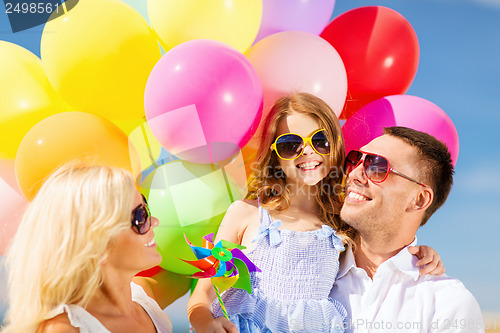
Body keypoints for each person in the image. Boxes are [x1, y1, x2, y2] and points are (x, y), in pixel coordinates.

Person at [187, 93, 444, 333]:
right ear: (275, 155)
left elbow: (381, 254)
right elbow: (203, 294)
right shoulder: (245, 214)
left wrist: (420, 252)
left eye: (320, 141)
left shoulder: (342, 223)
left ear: (335, 145)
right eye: (290, 144)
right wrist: (204, 322)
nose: (307, 151)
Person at [2, 163, 190, 333]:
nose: (154, 221)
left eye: (146, 208)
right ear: (97, 243)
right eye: (140, 217)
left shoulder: (144, 299)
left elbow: (190, 272)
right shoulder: (65, 328)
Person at [332, 126, 484, 333]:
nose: (354, 174)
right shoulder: (309, 270)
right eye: (356, 159)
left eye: (376, 166)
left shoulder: (449, 305)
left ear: (419, 199)